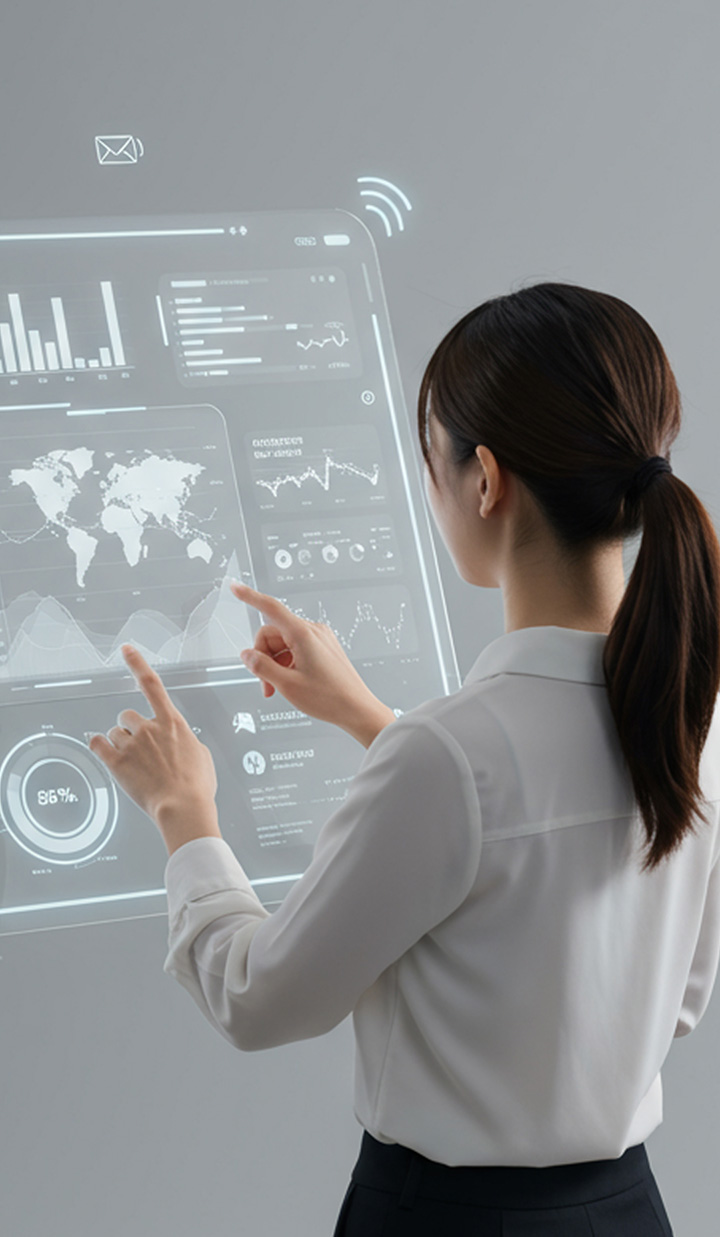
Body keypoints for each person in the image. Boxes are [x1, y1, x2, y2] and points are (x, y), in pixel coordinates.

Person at [88, 282, 720, 1235]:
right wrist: (371, 719)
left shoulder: (448, 758)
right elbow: (672, 1002)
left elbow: (260, 1000)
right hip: (628, 1212)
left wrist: (186, 813)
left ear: (485, 480)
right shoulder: (699, 717)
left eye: (430, 462)